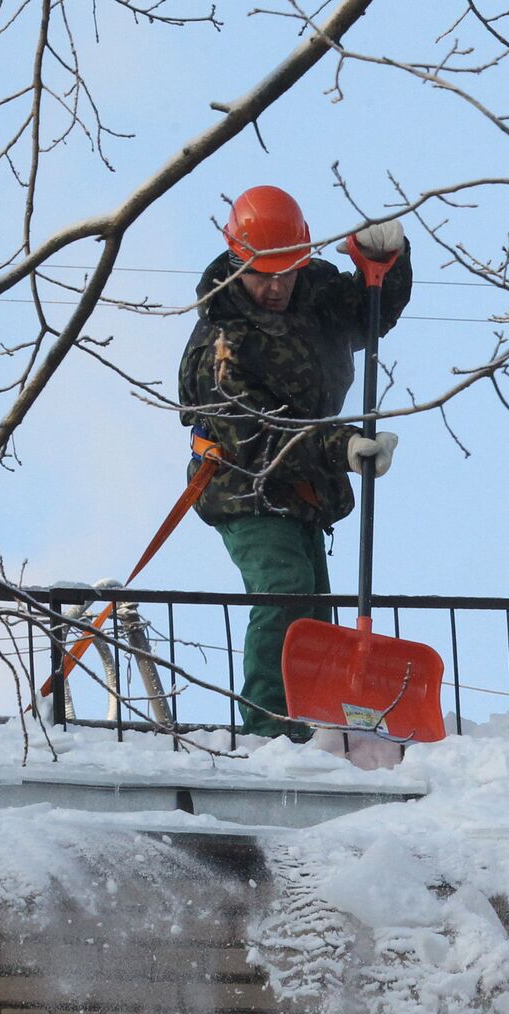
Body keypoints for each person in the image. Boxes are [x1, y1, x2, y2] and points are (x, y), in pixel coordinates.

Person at [177, 186, 413, 741]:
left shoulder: (313, 290)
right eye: (264, 274)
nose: (278, 286)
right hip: (243, 483)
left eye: (289, 270)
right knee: (285, 585)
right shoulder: (220, 343)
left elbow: (368, 314)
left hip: (307, 488)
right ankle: (267, 729)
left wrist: (386, 262)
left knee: (315, 607)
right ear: (238, 263)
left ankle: (316, 725)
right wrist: (343, 447)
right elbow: (262, 436)